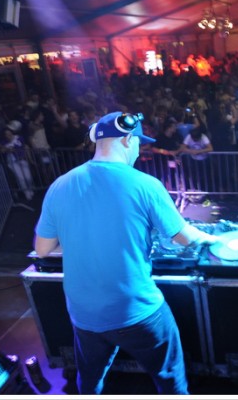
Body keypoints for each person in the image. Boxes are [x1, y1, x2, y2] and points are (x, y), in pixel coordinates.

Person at [34, 111, 219, 395]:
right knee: (170, 379)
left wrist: (83, 239)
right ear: (126, 140)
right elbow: (183, 237)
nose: (138, 150)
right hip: (136, 309)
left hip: (84, 313)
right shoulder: (146, 185)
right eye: (137, 143)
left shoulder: (60, 185)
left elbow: (42, 249)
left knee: (89, 380)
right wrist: (211, 237)